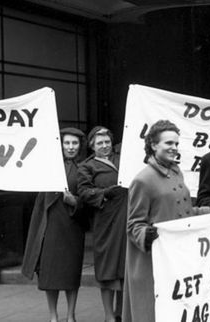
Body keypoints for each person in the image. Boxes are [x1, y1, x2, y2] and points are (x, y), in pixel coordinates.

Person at [121, 120, 210, 322]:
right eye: (168, 143)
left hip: (178, 256)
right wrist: (146, 234)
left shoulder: (177, 172)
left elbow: (183, 212)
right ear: (154, 145)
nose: (174, 148)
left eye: (176, 144)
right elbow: (134, 224)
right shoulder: (143, 180)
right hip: (154, 261)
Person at [21, 127, 88, 322]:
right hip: (50, 225)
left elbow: (88, 198)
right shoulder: (49, 166)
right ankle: (53, 316)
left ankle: (70, 315)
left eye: (74, 143)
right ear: (60, 145)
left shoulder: (84, 168)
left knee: (71, 272)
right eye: (67, 143)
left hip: (72, 225)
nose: (70, 147)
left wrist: (75, 201)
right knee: (49, 274)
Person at [77, 126, 127, 322]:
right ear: (92, 146)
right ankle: (109, 316)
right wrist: (104, 194)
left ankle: (122, 313)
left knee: (124, 268)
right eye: (100, 143)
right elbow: (83, 191)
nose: (105, 146)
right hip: (105, 221)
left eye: (107, 142)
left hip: (126, 217)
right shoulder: (87, 166)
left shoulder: (122, 159)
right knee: (107, 270)